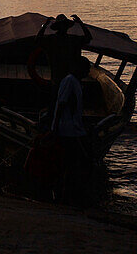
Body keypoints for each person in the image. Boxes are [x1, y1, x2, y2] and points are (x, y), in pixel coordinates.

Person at [51, 57, 92, 205]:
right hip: (68, 131)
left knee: (72, 163)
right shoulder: (69, 81)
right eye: (86, 69)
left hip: (74, 130)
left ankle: (66, 193)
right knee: (69, 163)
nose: (88, 72)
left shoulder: (76, 82)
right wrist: (54, 129)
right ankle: (63, 195)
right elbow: (61, 105)